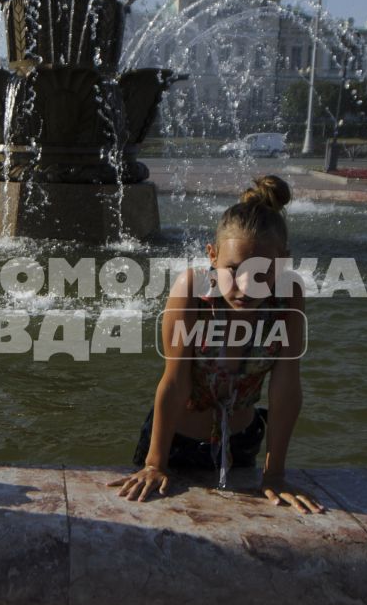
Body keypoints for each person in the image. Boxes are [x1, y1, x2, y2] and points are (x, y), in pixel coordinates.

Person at [110, 175, 323, 513]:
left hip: (241, 443)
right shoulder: (192, 290)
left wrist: (275, 474)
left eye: (261, 273)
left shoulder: (288, 296)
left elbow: (286, 386)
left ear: (282, 264)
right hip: (175, 444)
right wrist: (154, 463)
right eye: (232, 270)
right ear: (212, 256)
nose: (244, 286)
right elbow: (175, 380)